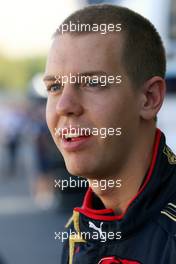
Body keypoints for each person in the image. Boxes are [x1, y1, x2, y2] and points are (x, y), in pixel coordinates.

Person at [43, 4, 176, 264]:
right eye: (55, 86)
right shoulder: (78, 231)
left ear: (149, 98)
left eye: (93, 82)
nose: (64, 105)